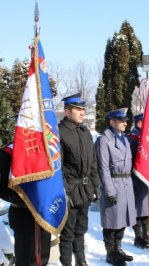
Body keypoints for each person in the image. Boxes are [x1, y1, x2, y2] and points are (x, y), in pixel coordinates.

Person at [58, 93, 101, 266]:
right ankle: (67, 263)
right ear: (67, 112)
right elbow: (57, 167)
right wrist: (63, 191)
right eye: (78, 109)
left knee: (81, 229)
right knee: (67, 233)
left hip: (84, 190)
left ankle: (81, 261)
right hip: (69, 190)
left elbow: (93, 163)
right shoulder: (59, 132)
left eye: (83, 109)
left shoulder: (85, 133)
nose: (82, 113)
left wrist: (96, 186)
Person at [0, 143, 52, 266]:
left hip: (44, 214)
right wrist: (25, 199)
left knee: (42, 259)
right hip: (23, 215)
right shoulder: (9, 151)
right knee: (25, 260)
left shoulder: (48, 148)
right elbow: (0, 186)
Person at [95, 108, 137, 266]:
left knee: (123, 219)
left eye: (125, 120)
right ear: (112, 122)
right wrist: (109, 190)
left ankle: (118, 248)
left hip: (126, 183)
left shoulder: (124, 139)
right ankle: (110, 252)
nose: (125, 123)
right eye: (122, 120)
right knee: (111, 222)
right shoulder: (104, 140)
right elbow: (103, 168)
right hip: (113, 184)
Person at [127, 113, 149, 247]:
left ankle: (148, 235)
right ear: (139, 123)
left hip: (146, 178)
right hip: (137, 178)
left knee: (146, 209)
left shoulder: (146, 138)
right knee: (138, 209)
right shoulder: (132, 138)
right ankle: (139, 237)